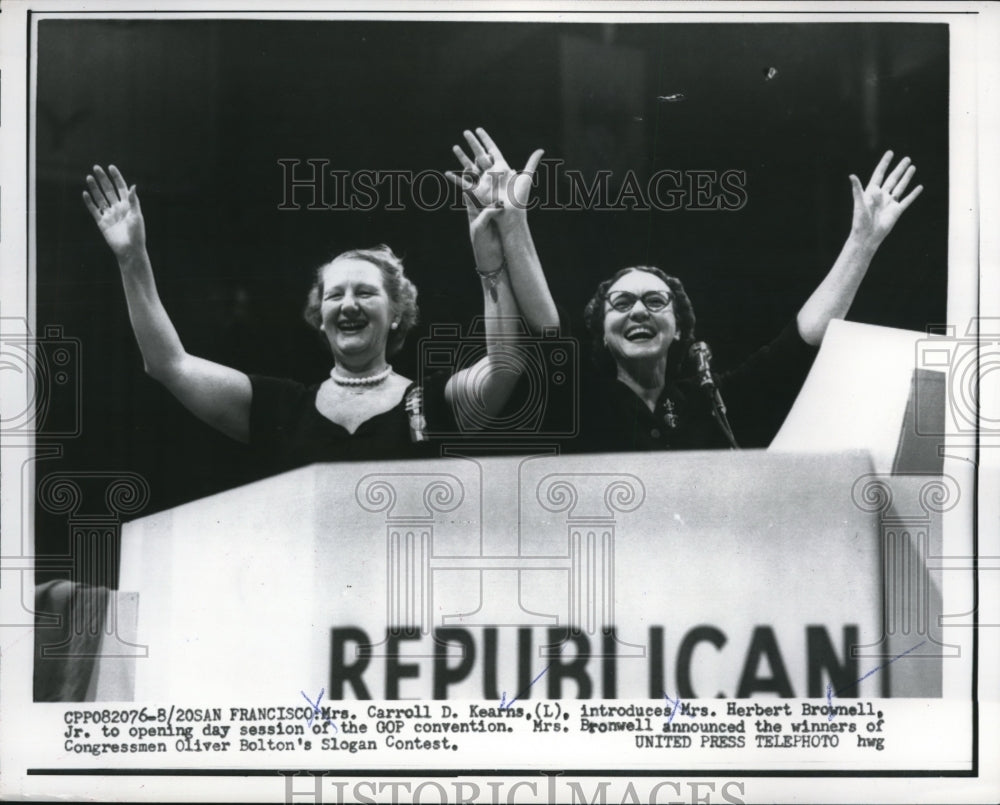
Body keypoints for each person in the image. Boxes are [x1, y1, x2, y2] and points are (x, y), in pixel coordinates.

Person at [82, 129, 556, 472]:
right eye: (335, 295)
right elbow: (169, 363)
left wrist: (494, 247)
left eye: (366, 292)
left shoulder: (428, 402)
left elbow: (505, 368)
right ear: (321, 317)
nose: (348, 304)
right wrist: (132, 258)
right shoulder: (279, 408)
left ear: (396, 316)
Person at [572, 150, 923, 452]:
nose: (638, 311)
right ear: (602, 331)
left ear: (678, 328)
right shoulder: (580, 405)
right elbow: (541, 330)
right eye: (621, 303)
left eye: (654, 301)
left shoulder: (710, 402)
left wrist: (862, 244)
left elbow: (796, 346)